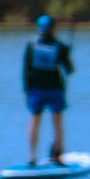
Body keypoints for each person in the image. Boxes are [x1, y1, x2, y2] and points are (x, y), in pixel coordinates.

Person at [24, 15, 74, 165]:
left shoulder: (32, 45)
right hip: (55, 90)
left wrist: (26, 91)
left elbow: (26, 70)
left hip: (36, 91)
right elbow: (69, 70)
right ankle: (58, 156)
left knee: (34, 121)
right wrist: (67, 54)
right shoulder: (60, 46)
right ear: (53, 28)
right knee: (57, 123)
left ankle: (32, 157)